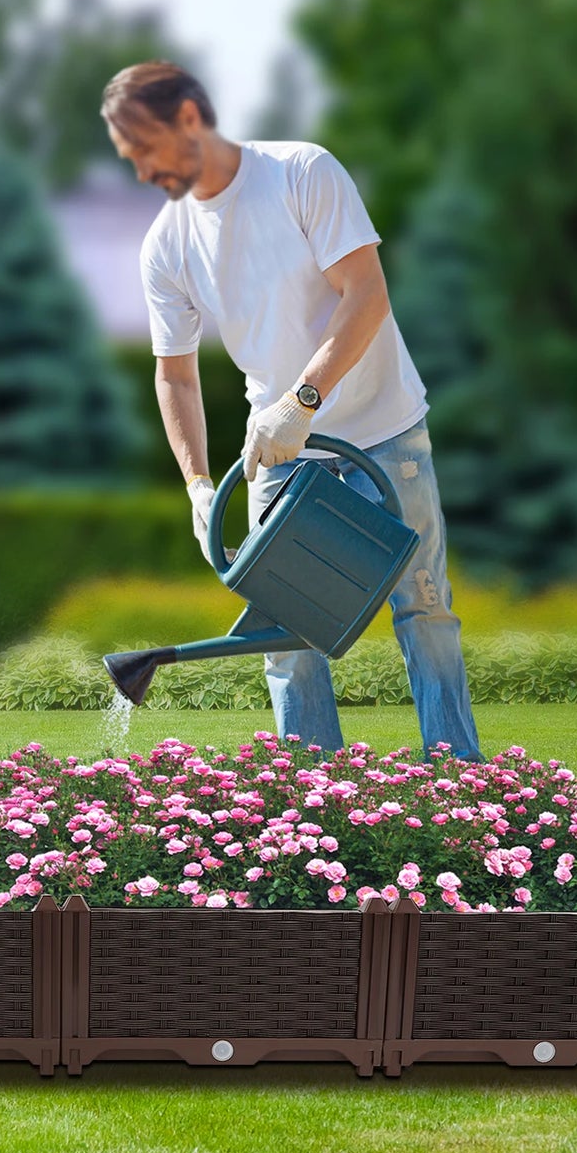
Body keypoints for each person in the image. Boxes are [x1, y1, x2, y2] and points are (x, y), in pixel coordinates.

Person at [101, 60, 482, 762]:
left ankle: (458, 781)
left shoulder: (301, 173)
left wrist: (302, 400)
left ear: (189, 117)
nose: (142, 171)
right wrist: (194, 482)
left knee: (422, 610)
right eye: (130, 160)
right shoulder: (166, 244)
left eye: (146, 150)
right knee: (282, 636)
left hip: (381, 430)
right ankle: (311, 803)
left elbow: (364, 293)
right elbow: (175, 377)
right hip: (277, 455)